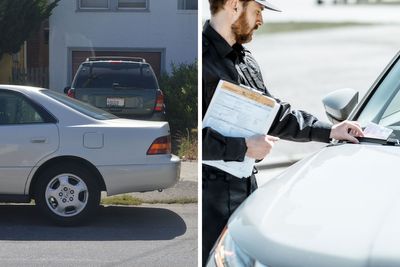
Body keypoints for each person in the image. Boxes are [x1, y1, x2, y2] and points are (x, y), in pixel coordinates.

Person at [202, 0, 364, 264]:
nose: (260, 20)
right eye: (258, 11)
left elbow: (275, 114)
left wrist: (330, 131)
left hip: (245, 190)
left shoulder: (244, 58)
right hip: (209, 199)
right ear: (234, 6)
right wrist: (242, 147)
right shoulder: (201, 58)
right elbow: (192, 138)